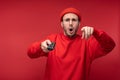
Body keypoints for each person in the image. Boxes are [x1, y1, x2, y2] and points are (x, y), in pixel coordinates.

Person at [27, 8, 115, 80]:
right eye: (67, 20)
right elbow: (31, 53)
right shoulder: (53, 40)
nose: (70, 23)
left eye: (74, 20)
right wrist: (40, 46)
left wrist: (96, 32)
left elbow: (110, 46)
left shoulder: (87, 43)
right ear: (62, 24)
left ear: (79, 24)